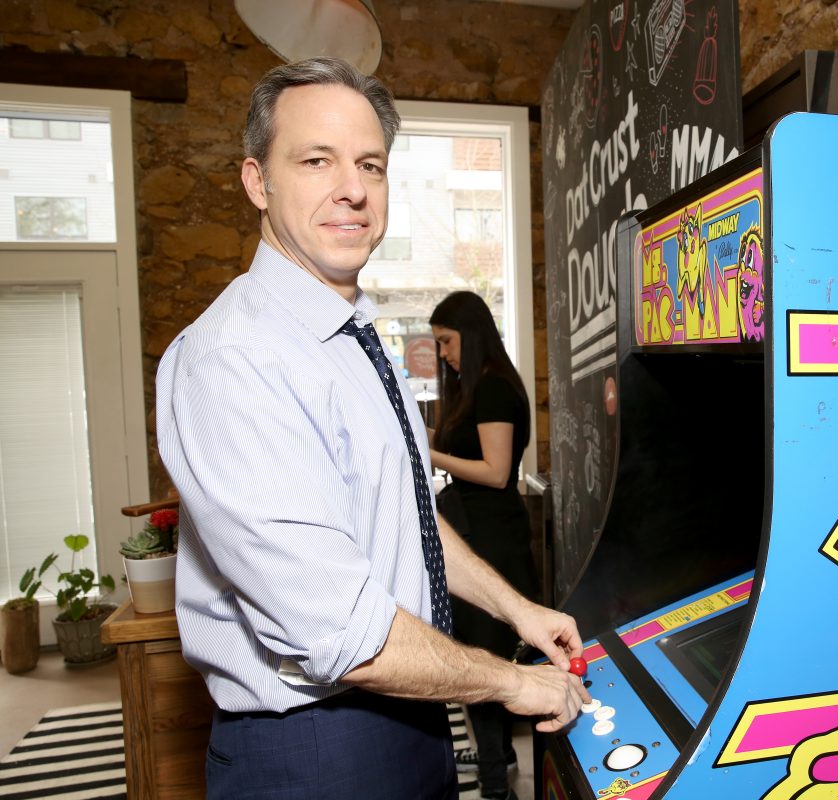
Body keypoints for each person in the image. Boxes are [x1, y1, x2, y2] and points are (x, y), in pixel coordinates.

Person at [156, 57, 589, 799]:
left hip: (412, 709)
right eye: (315, 161)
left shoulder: (355, 335)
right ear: (257, 181)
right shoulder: (232, 359)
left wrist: (517, 609)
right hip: (317, 748)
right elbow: (341, 634)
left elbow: (406, 519)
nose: (352, 189)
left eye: (370, 165)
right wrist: (513, 683)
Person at [426, 291, 539, 800]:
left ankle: (495, 783)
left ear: (470, 335)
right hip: (479, 529)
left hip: (492, 536)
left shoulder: (493, 388)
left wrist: (428, 453)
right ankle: (500, 758)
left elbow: (496, 472)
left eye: (447, 341)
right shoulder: (475, 388)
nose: (443, 353)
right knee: (482, 646)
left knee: (484, 653)